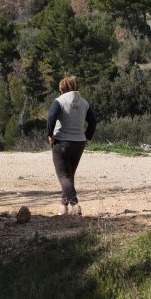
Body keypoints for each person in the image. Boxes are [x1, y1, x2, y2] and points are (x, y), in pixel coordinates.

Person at [47, 75, 96, 216]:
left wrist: (50, 134)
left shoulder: (59, 101)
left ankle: (75, 204)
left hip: (61, 142)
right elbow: (93, 122)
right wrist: (88, 137)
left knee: (63, 176)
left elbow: (51, 118)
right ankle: (63, 206)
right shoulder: (84, 103)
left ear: (61, 89)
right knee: (69, 176)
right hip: (79, 143)